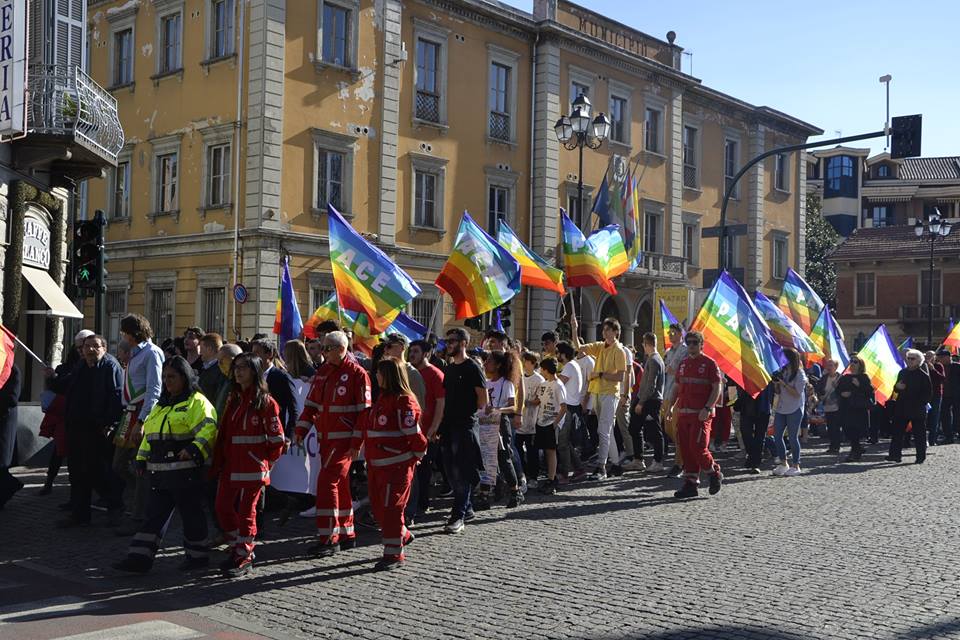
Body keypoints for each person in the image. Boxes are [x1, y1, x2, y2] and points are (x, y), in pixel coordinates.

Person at [112, 357, 219, 574]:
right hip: (160, 475)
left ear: (184, 377)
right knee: (153, 517)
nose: (167, 381)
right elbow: (149, 436)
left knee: (191, 516)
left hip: (187, 474)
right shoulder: (161, 406)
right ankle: (139, 559)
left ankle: (197, 558)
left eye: (172, 377)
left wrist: (193, 449)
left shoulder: (196, 402)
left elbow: (209, 429)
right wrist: (141, 458)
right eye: (164, 377)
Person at [294, 330, 371, 557]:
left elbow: (363, 414)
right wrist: (301, 429)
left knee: (327, 484)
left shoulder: (358, 374)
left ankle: (328, 538)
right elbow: (311, 406)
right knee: (340, 486)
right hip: (325, 440)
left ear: (341, 349)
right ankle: (347, 534)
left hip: (344, 442)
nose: (322, 352)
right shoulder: (323, 372)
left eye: (327, 348)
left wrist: (357, 441)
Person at [213, 352, 284, 577]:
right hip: (231, 466)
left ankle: (244, 555)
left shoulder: (266, 402)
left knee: (247, 513)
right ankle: (237, 547)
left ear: (254, 371)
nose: (238, 371)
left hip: (252, 468)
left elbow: (277, 440)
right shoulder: (233, 399)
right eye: (236, 367)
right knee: (222, 508)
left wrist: (264, 464)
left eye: (243, 367)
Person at [352, 358, 427, 571]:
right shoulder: (382, 399)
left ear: (390, 376)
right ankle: (402, 534)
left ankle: (394, 553)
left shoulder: (403, 401)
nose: (376, 376)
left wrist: (415, 457)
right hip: (377, 466)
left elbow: (414, 435)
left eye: (380, 373)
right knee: (378, 508)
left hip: (396, 467)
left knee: (391, 509)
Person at [46, 334, 124, 527]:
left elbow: (116, 398)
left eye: (95, 346)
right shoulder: (81, 366)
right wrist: (52, 378)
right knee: (77, 472)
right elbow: (66, 386)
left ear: (104, 348)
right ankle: (80, 515)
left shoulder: (110, 367)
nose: (90, 350)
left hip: (96, 429)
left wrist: (108, 424)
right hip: (75, 427)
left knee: (98, 472)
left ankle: (115, 507)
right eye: (87, 346)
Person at [110, 315, 165, 536]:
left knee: (140, 465)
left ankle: (140, 515)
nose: (122, 336)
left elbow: (154, 389)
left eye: (124, 332)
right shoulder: (135, 353)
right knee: (118, 464)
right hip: (129, 412)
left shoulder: (152, 353)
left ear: (132, 333)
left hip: (141, 414)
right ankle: (146, 498)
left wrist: (142, 421)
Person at [437, 327, 486, 534]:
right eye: (447, 341)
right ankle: (467, 507)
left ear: (463, 343)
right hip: (447, 426)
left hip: (465, 426)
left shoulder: (472, 368)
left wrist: (467, 412)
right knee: (449, 470)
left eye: (452, 341)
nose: (449, 344)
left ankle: (458, 516)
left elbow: (483, 400)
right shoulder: (448, 369)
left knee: (461, 472)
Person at [664, 331, 722, 499]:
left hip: (700, 415)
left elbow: (716, 387)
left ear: (701, 344)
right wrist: (669, 407)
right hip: (683, 413)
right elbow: (676, 387)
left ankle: (714, 473)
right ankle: (690, 483)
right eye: (688, 342)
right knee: (686, 448)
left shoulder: (710, 364)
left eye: (695, 342)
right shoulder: (683, 364)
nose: (691, 345)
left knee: (698, 447)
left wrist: (707, 407)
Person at [569, 315, 626, 481]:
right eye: (604, 329)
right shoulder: (600, 346)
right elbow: (579, 347)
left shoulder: (619, 351)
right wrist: (574, 328)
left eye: (608, 329)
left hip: (610, 393)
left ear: (616, 332)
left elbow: (620, 377)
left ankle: (601, 467)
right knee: (607, 431)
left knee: (603, 430)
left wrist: (600, 374)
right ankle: (616, 464)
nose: (605, 331)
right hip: (598, 392)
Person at [38, 330, 89, 496]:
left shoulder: (94, 364)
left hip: (82, 416)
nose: (81, 350)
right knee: (58, 451)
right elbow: (59, 386)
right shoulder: (70, 366)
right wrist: (52, 377)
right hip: (64, 414)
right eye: (79, 347)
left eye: (84, 346)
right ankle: (50, 482)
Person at [406, 339, 445, 522]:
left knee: (423, 472)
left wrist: (434, 428)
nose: (411, 354)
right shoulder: (408, 372)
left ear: (426, 354)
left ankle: (422, 504)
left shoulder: (435, 374)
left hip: (427, 431)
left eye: (415, 351)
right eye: (410, 351)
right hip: (410, 430)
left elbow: (440, 402)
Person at [477, 351, 522, 509]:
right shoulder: (487, 382)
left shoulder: (506, 383)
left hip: (500, 423)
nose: (485, 364)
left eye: (489, 361)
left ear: (498, 365)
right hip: (486, 422)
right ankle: (484, 495)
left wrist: (498, 409)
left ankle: (515, 491)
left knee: (503, 458)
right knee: (486, 459)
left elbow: (513, 406)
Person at [628, 332, 665, 473]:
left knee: (655, 432)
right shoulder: (654, 359)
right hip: (647, 399)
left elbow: (651, 385)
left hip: (650, 400)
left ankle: (657, 461)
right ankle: (638, 459)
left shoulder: (654, 360)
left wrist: (641, 402)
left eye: (643, 344)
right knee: (634, 428)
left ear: (646, 344)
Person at [888, 349, 933, 464]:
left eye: (912, 358)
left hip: (916, 409)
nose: (909, 360)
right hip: (902, 407)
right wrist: (897, 387)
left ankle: (920, 456)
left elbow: (928, 393)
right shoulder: (902, 372)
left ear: (919, 361)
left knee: (919, 434)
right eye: (908, 358)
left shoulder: (923, 375)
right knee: (897, 432)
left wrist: (919, 404)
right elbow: (896, 389)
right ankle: (894, 455)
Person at [770, 349, 808, 477]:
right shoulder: (784, 371)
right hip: (782, 407)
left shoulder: (800, 374)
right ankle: (783, 462)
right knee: (777, 435)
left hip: (795, 408)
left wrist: (783, 384)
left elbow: (797, 394)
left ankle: (796, 465)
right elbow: (779, 391)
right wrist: (776, 384)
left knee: (792, 437)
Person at [252, 338, 298, 437]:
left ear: (269, 354)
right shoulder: (252, 376)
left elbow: (293, 408)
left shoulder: (281, 377)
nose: (253, 357)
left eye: (257, 353)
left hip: (275, 432)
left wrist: (288, 435)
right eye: (252, 353)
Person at [533, 357, 566, 495]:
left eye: (542, 369)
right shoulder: (544, 384)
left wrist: (555, 423)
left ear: (546, 370)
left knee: (551, 451)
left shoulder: (558, 385)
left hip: (551, 422)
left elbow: (564, 407)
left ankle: (552, 479)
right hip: (541, 421)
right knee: (545, 451)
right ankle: (549, 477)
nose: (541, 371)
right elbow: (538, 401)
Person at [555, 341, 585, 481]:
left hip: (567, 408)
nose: (556, 356)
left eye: (557, 353)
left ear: (563, 354)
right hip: (572, 407)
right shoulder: (574, 365)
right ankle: (579, 469)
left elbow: (558, 384)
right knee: (567, 442)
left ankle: (565, 473)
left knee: (562, 443)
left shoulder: (568, 367)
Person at [837, 355, 875, 462]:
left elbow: (869, 392)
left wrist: (859, 385)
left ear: (860, 365)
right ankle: (857, 449)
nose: (852, 363)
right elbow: (839, 390)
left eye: (855, 362)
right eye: (851, 361)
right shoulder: (844, 377)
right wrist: (840, 392)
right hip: (846, 407)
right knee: (847, 429)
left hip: (858, 408)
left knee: (856, 431)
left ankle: (854, 452)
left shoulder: (863, 377)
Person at [662, 323, 687, 477]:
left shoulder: (684, 350)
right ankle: (683, 456)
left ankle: (680, 463)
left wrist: (674, 370)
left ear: (680, 334)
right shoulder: (668, 351)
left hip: (678, 394)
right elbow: (666, 370)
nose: (671, 335)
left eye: (673, 332)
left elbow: (682, 369)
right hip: (667, 393)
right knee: (668, 428)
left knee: (677, 430)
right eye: (669, 332)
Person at [518, 351, 543, 483]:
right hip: (519, 421)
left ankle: (533, 475)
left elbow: (540, 399)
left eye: (526, 361)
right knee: (517, 449)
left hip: (532, 421)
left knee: (532, 450)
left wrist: (527, 402)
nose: (523, 363)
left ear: (532, 363)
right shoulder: (519, 377)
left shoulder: (539, 379)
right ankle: (521, 472)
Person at [738, 381, 774, 474]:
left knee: (760, 437)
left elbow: (771, 391)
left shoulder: (767, 373)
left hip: (763, 407)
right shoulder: (745, 371)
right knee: (746, 434)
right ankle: (751, 457)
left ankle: (755, 463)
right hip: (746, 406)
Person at [382, 333, 426, 409]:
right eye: (384, 346)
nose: (385, 350)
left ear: (402, 348)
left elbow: (419, 407)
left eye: (389, 346)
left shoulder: (413, 374)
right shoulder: (385, 371)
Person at [0, 364, 22, 509]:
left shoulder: (12, 369)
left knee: (1, 463)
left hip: (4, 422)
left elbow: (12, 398)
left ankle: (9, 488)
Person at [817, 358, 843, 454]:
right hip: (827, 406)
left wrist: (837, 387)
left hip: (837, 407)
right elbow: (819, 388)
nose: (828, 367)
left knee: (835, 427)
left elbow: (843, 391)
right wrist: (821, 395)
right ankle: (832, 445)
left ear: (836, 367)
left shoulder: (840, 378)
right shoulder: (824, 378)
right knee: (830, 427)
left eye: (831, 365)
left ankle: (836, 446)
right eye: (828, 365)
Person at [936, 350, 958, 444]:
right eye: (939, 358)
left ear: (948, 357)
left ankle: (956, 432)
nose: (940, 359)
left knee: (958, 415)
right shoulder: (938, 367)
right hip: (944, 395)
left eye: (942, 357)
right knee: (944, 416)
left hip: (956, 395)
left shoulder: (957, 366)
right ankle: (948, 436)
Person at [925, 350, 945, 447]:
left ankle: (932, 440)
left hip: (936, 395)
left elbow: (942, 378)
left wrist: (933, 369)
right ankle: (923, 439)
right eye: (927, 356)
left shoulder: (938, 366)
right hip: (925, 396)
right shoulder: (922, 366)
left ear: (935, 357)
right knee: (924, 418)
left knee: (934, 417)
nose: (929, 357)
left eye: (931, 356)